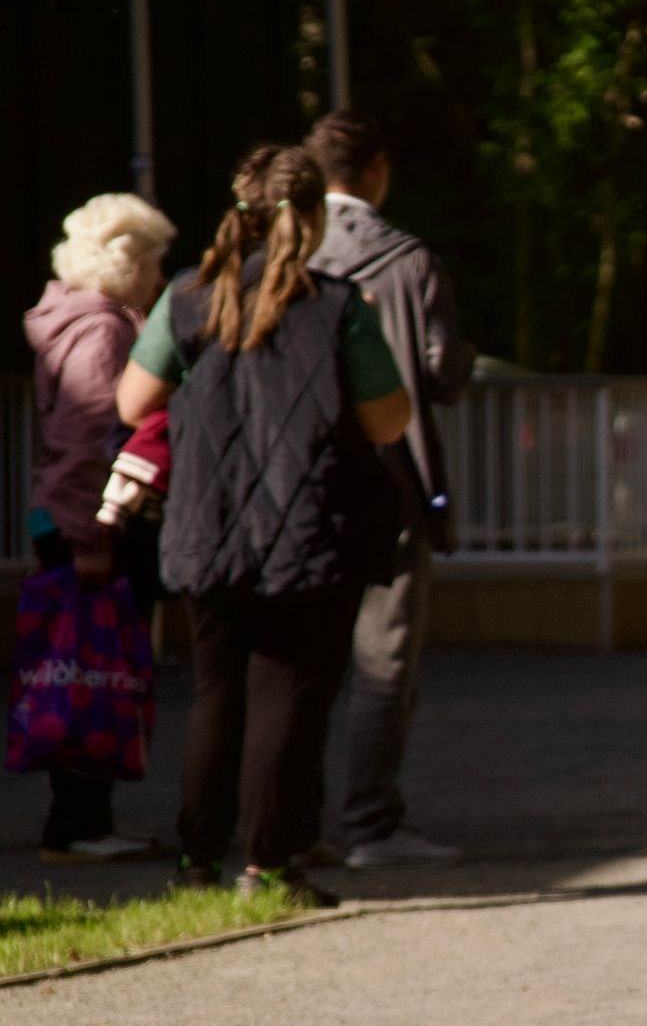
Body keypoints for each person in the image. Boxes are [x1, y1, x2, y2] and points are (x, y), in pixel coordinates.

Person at [118, 144, 412, 906]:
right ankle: (268, 866)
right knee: (286, 697)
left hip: (204, 521)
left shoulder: (188, 295)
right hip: (309, 528)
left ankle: (194, 865)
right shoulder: (340, 306)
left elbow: (131, 402)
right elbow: (389, 421)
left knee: (216, 694)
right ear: (311, 218)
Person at [304, 110, 477, 870]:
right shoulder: (410, 261)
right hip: (391, 476)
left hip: (293, 481)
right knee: (384, 657)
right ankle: (370, 821)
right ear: (376, 168)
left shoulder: (283, 252)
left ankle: (282, 823)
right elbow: (440, 372)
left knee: (293, 657)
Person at [23, 192, 178, 863]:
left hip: (57, 511)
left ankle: (83, 816)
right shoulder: (106, 329)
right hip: (88, 520)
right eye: (155, 261)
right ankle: (81, 821)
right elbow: (92, 436)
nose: (161, 276)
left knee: (79, 663)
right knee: (97, 666)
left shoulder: (68, 318)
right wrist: (95, 539)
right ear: (129, 263)